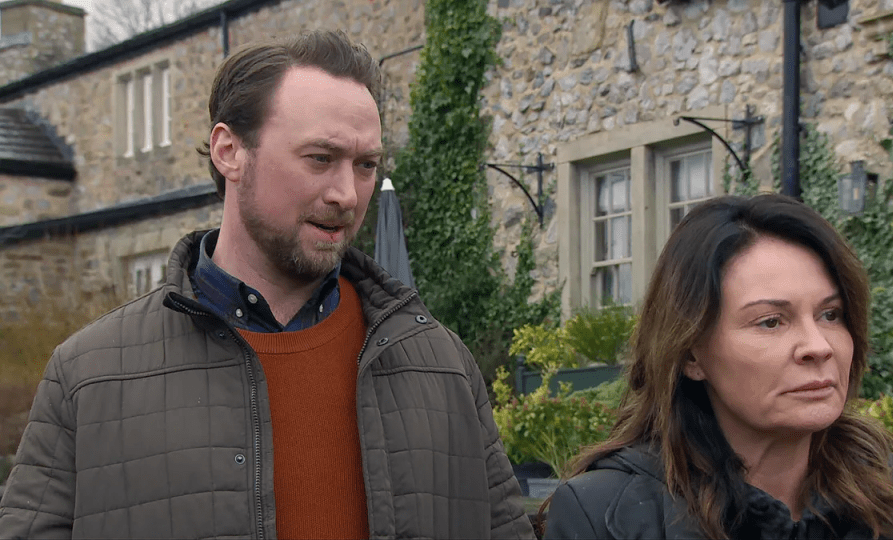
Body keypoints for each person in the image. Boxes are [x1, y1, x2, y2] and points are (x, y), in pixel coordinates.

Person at [0, 30, 535, 540]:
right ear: (229, 151)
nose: (347, 194)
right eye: (320, 159)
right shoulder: (88, 376)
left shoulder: (442, 363)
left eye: (366, 164)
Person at [543, 194, 893, 539]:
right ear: (691, 353)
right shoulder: (603, 518)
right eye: (771, 322)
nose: (818, 347)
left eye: (830, 315)